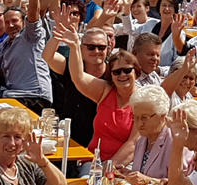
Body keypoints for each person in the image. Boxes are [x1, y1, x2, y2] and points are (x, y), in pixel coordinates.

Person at [57, 22, 137, 165]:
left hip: (126, 166)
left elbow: (133, 144)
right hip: (94, 161)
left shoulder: (142, 100)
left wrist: (107, 170)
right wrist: (75, 46)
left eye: (127, 70)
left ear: (136, 72)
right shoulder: (105, 91)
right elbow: (78, 77)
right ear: (110, 75)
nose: (122, 75)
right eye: (116, 72)